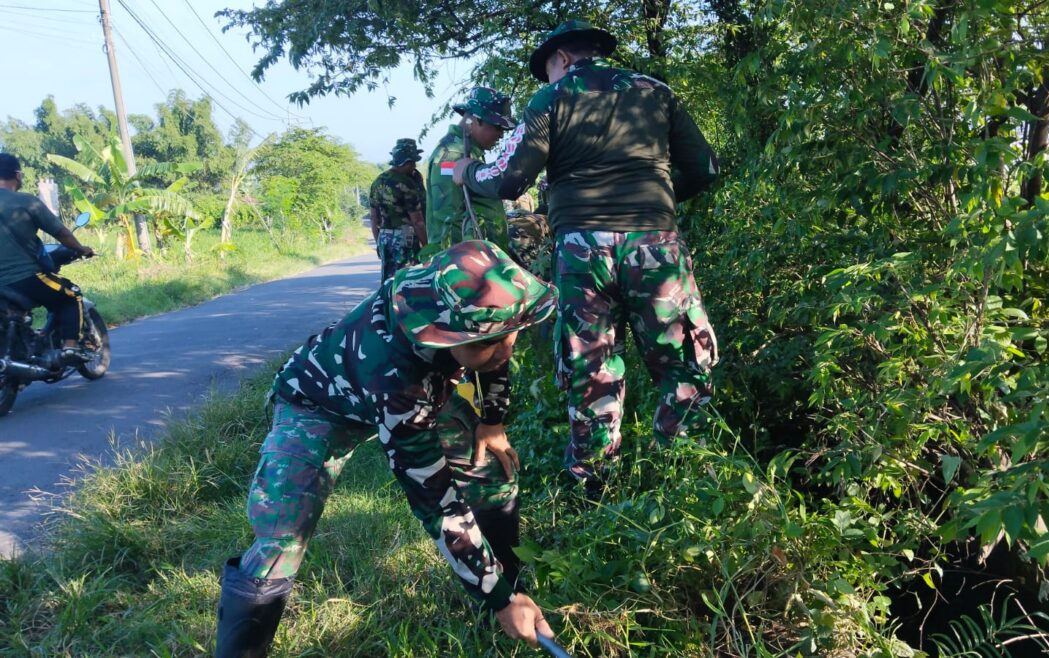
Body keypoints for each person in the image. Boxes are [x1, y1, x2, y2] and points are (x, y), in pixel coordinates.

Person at [213, 240, 558, 657]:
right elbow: (437, 503)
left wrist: (492, 421)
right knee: (281, 535)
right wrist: (499, 599)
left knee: (490, 473)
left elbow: (494, 346)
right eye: (487, 343)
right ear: (442, 334)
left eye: (509, 335)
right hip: (319, 403)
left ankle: (509, 591)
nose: (505, 350)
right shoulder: (397, 381)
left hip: (420, 389)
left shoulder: (463, 306)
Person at [453, 20, 721, 491]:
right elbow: (705, 168)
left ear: (561, 58)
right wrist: (652, 203)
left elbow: (510, 179)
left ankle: (593, 483)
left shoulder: (551, 99)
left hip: (582, 251)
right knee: (682, 357)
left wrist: (468, 173)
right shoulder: (656, 92)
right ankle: (686, 473)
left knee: (591, 364)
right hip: (655, 244)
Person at [0, 153, 95, 366]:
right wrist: (81, 249)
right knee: (71, 295)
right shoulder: (26, 202)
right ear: (17, 175)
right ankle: (70, 346)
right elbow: (61, 233)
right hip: (26, 276)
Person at [425, 87, 515, 251]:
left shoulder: (467, 151)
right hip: (463, 260)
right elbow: (449, 221)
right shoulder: (453, 155)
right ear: (476, 120)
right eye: (498, 127)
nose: (501, 135)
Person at [370, 138, 427, 281]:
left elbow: (374, 217)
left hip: (384, 237)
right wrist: (427, 246)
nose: (414, 165)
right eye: (412, 162)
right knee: (406, 279)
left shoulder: (378, 181)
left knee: (388, 280)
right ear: (406, 163)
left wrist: (378, 242)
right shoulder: (406, 184)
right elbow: (417, 221)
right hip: (405, 237)